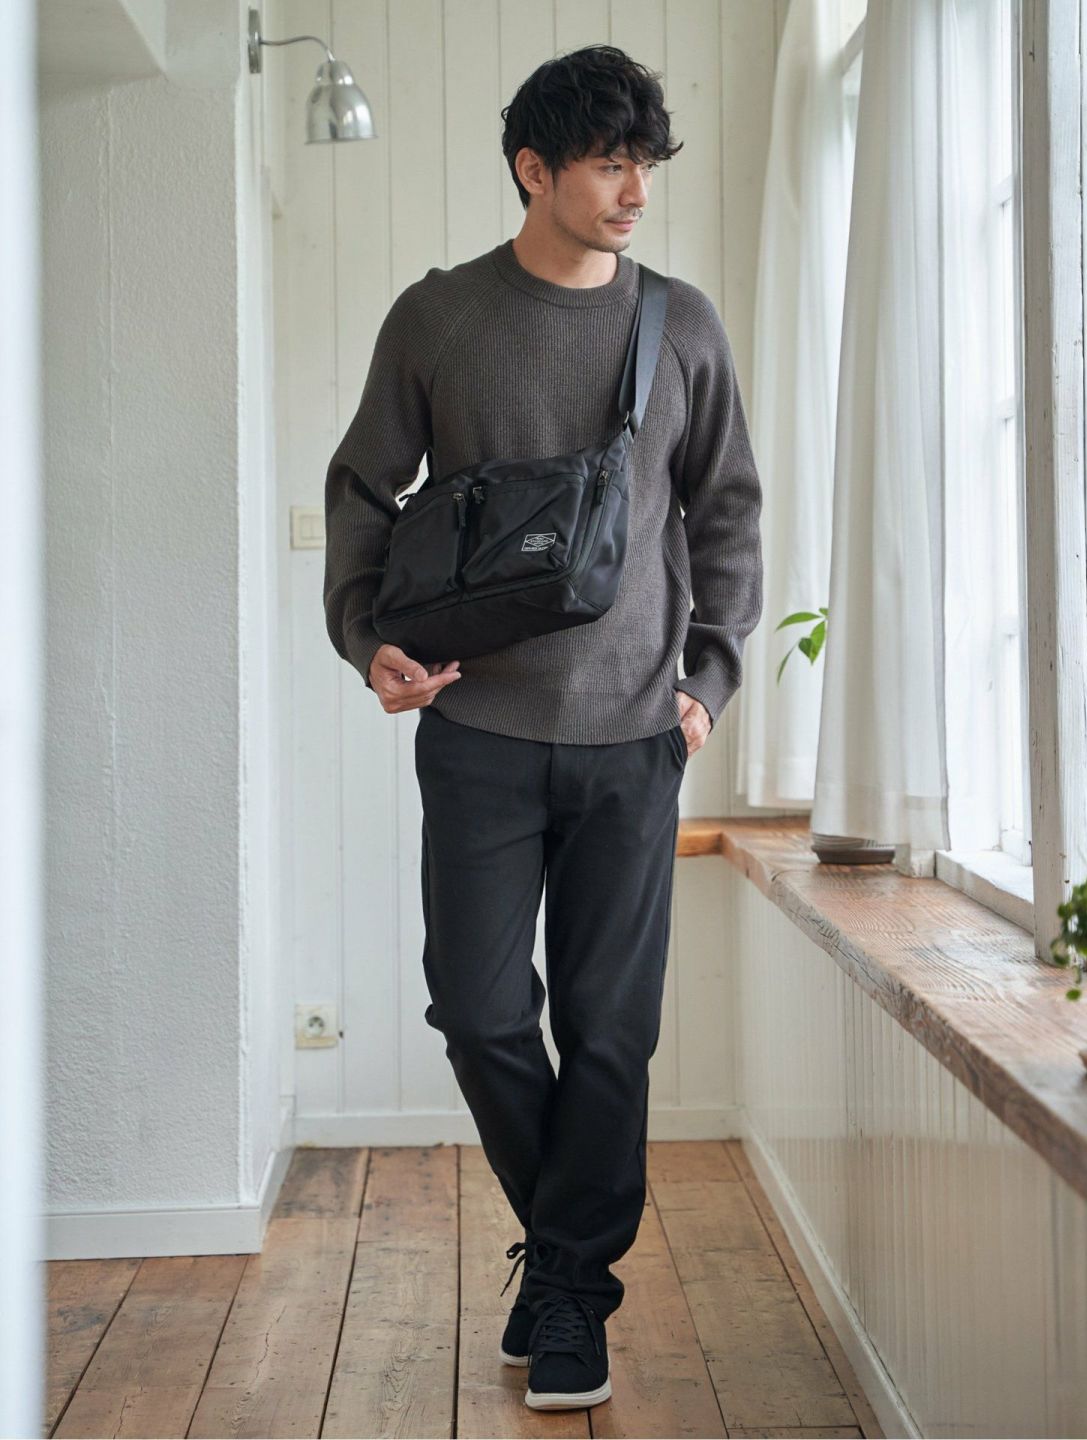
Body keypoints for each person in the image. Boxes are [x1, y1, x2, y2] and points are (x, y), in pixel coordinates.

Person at [322, 43, 763, 1413]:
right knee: (478, 1008)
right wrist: (368, 638)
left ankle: (567, 1293)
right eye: (609, 163)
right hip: (478, 730)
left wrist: (708, 681)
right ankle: (572, 1259)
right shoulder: (439, 319)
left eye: (647, 165)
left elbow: (728, 513)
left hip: (636, 737)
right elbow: (363, 485)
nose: (636, 190)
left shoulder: (681, 327)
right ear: (533, 169)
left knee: (611, 1031)